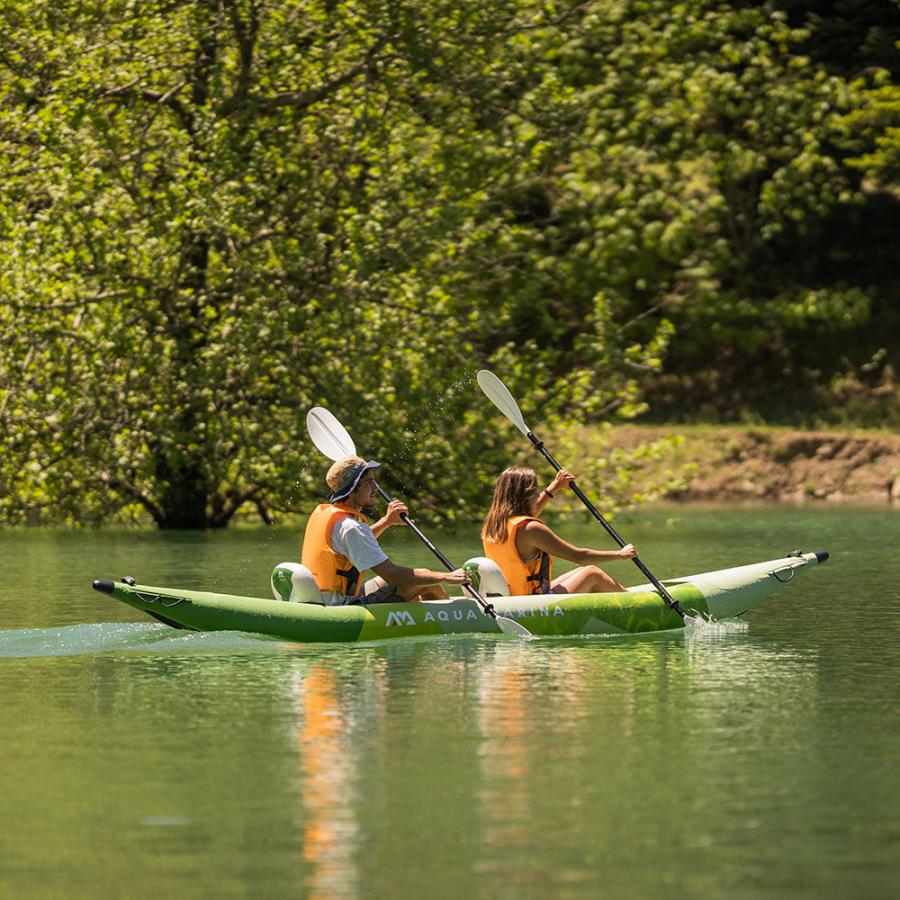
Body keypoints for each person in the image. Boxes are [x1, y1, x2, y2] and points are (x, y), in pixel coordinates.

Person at [302, 455, 470, 606]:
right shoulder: (351, 527)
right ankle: (456, 620)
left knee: (419, 584)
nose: (376, 488)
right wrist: (446, 577)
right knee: (428, 582)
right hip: (341, 606)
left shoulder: (331, 516)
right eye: (369, 482)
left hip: (326, 598)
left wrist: (386, 521)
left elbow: (357, 543)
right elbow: (393, 575)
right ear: (352, 489)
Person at [481, 466, 637, 595]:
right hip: (533, 603)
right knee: (592, 573)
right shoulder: (531, 529)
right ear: (526, 496)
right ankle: (635, 603)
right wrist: (620, 554)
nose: (538, 494)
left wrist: (555, 486)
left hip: (512, 599)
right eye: (535, 491)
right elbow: (579, 556)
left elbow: (530, 513)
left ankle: (626, 593)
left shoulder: (494, 525)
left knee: (581, 572)